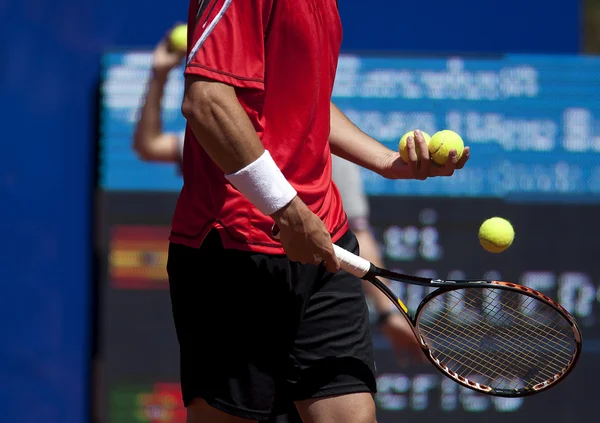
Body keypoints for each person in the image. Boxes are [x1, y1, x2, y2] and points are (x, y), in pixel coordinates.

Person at [137, 2, 469, 421]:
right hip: (235, 245)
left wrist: (387, 162)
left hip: (323, 235)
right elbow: (206, 101)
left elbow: (304, 98)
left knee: (352, 416)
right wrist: (287, 210)